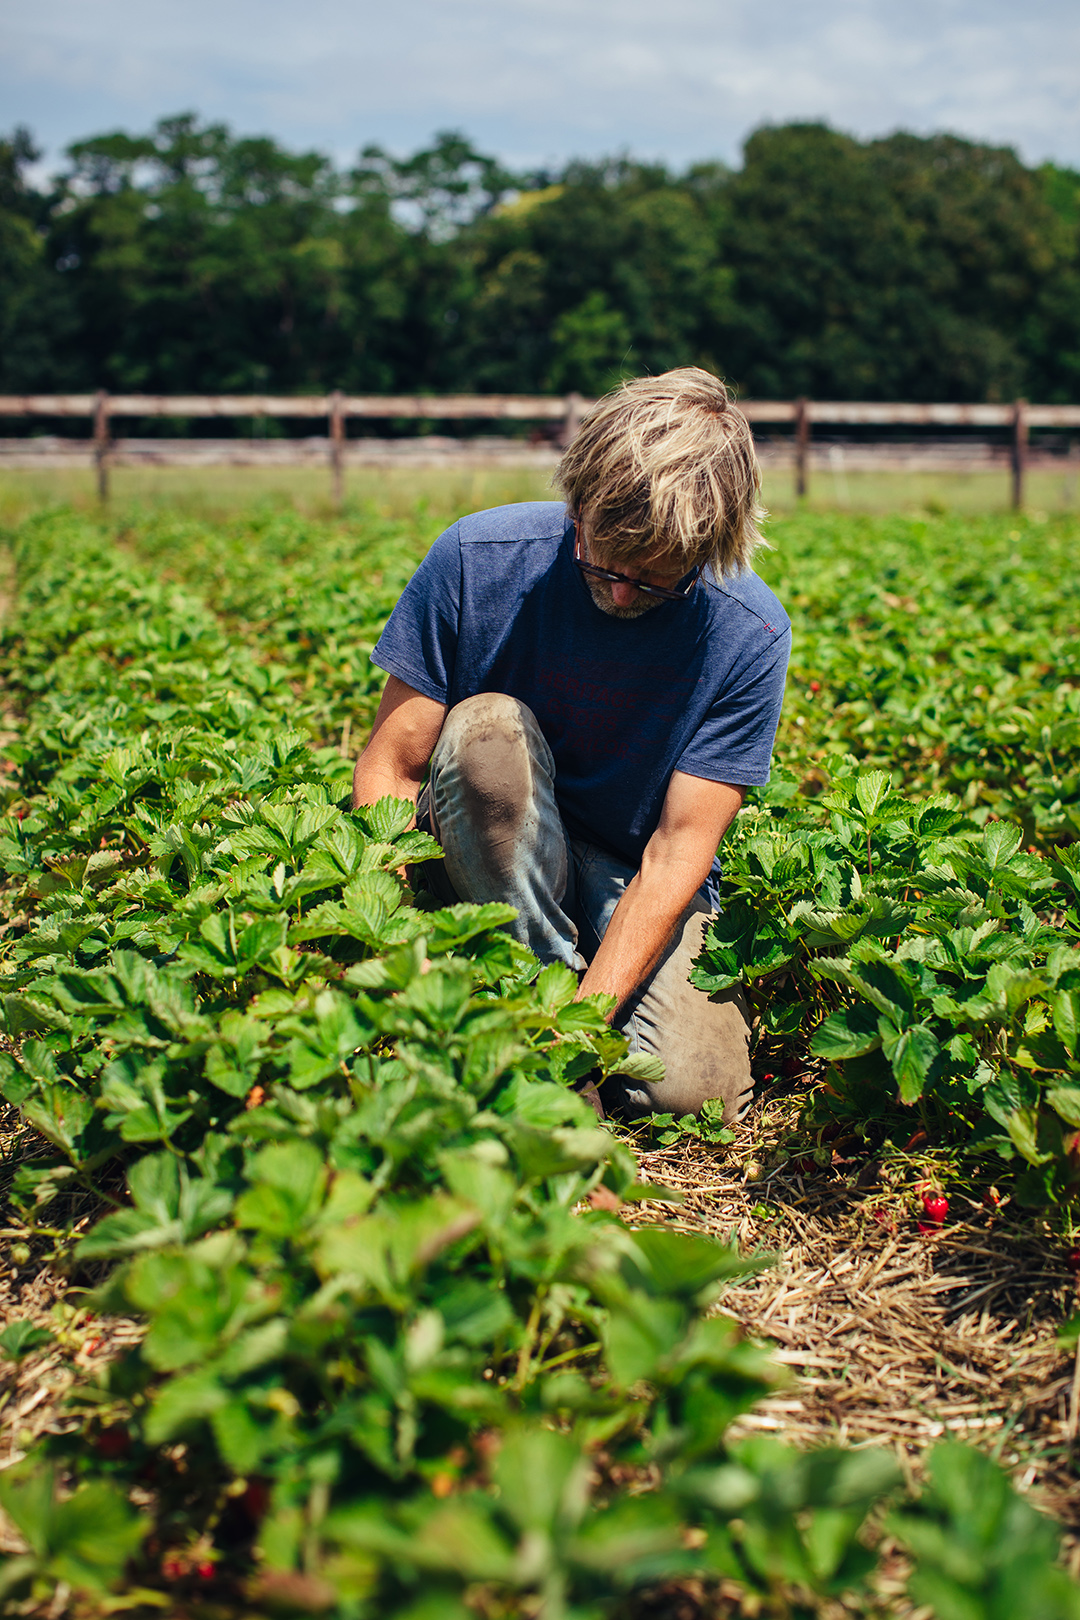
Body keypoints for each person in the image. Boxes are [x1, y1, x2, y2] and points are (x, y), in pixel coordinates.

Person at [352, 367, 790, 1122]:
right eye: (605, 563)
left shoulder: (745, 631)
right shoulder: (475, 560)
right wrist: (396, 943)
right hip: (488, 848)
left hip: (631, 863)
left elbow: (676, 855)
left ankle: (562, 1001)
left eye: (654, 582)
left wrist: (573, 1032)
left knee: (691, 1094)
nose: (621, 594)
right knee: (487, 735)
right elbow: (392, 769)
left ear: (712, 548)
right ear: (576, 504)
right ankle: (532, 977)